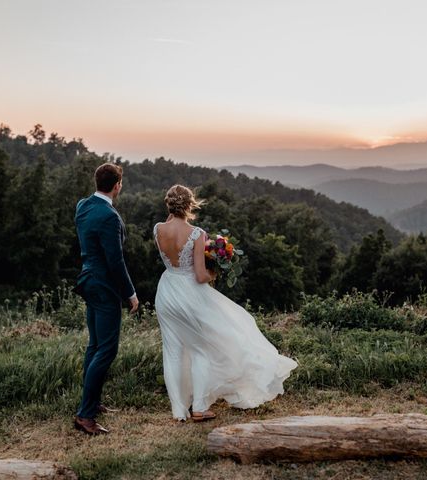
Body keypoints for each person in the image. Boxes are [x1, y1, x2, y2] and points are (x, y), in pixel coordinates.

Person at [153, 185, 297, 422]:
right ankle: (198, 407)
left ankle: (179, 410)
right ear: (190, 205)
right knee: (201, 350)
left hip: (167, 291)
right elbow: (200, 276)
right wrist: (214, 273)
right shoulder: (197, 233)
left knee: (173, 352)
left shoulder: (158, 229)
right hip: (190, 293)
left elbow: (171, 231)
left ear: (168, 205)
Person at [73, 162, 139, 435]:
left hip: (87, 280)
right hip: (104, 286)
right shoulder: (109, 216)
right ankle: (85, 415)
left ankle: (92, 402)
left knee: (95, 345)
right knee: (107, 349)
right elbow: (115, 260)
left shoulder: (82, 206)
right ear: (117, 186)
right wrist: (130, 293)